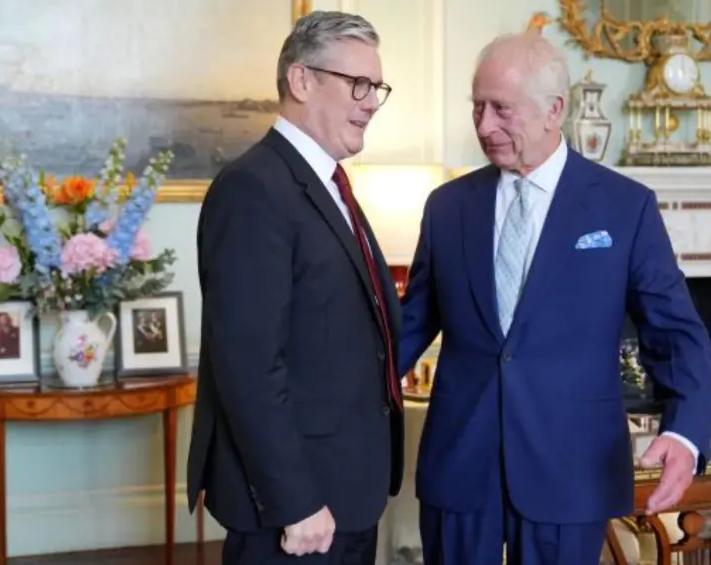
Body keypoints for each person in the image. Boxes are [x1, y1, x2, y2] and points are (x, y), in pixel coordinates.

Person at [399, 31, 711, 565]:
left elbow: (675, 332)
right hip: (461, 464)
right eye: (477, 107)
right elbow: (408, 327)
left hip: (572, 467)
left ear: (554, 111)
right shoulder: (447, 207)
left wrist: (685, 434)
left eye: (501, 109)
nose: (484, 125)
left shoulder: (624, 208)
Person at [186, 10, 404, 565]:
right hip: (295, 511)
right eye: (358, 84)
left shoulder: (328, 185)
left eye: (376, 87)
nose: (371, 101)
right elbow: (248, 366)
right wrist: (296, 501)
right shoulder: (253, 190)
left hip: (346, 497)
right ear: (301, 80)